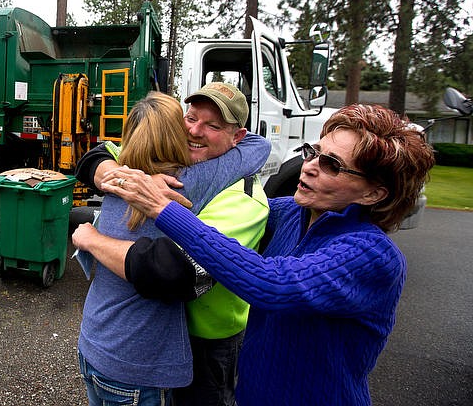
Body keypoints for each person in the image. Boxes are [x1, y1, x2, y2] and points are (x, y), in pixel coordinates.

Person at [73, 103, 436, 406]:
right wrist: (110, 171)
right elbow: (106, 152)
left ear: (373, 194)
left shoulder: (370, 254)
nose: (309, 166)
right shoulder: (293, 212)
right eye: (313, 152)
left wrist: (160, 208)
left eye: (332, 165)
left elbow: (272, 284)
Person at [76, 82, 270, 406]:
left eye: (213, 125)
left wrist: (93, 239)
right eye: (191, 118)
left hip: (206, 344)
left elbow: (174, 271)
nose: (195, 131)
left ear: (238, 138)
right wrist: (122, 176)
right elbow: (97, 156)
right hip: (155, 342)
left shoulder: (242, 196)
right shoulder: (154, 168)